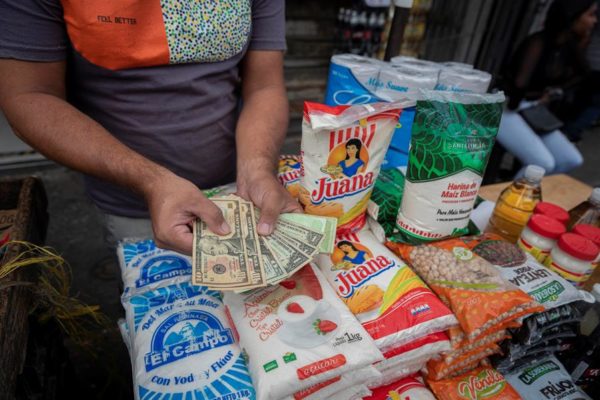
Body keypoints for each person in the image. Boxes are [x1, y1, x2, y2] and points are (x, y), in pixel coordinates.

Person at [0, 0, 300, 257]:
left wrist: (257, 169)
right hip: (132, 204)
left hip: (237, 192)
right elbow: (29, 95)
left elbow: (264, 86)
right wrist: (151, 182)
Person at [498, 0, 597, 177]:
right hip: (505, 107)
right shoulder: (538, 42)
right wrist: (539, 97)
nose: (594, 21)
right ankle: (505, 201)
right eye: (590, 15)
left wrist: (550, 93)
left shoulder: (567, 46)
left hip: (530, 107)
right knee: (543, 162)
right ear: (572, 17)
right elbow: (517, 89)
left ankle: (528, 196)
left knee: (570, 159)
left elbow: (584, 75)